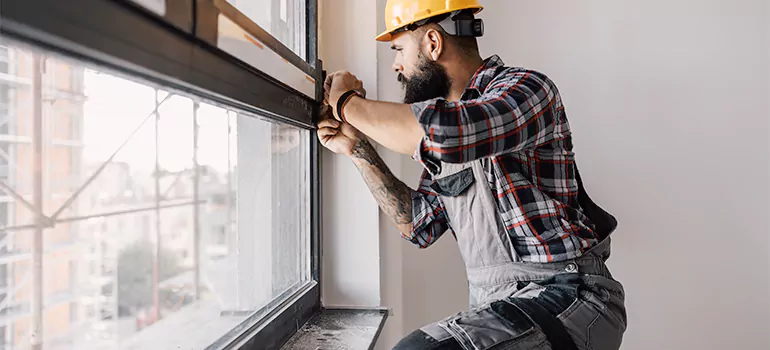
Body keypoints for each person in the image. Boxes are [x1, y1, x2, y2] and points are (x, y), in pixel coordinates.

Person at [317, 0, 627, 348]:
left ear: (432, 43)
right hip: (503, 305)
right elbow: (418, 225)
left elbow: (446, 134)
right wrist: (356, 148)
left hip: (570, 296)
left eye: (399, 49)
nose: (396, 65)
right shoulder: (450, 130)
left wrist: (346, 102)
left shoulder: (526, 90)